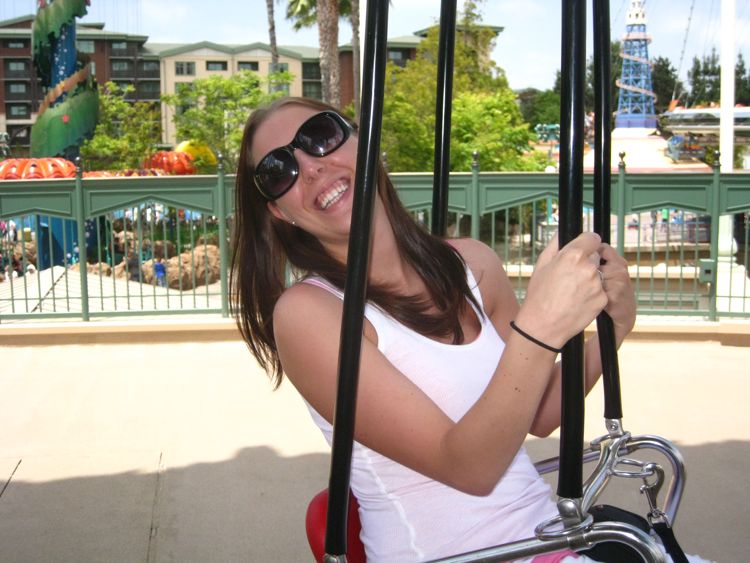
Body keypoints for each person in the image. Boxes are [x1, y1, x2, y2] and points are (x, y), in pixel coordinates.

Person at [230, 98, 706, 563]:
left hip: (547, 539)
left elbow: (538, 411)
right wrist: (540, 327)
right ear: (279, 212)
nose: (310, 167)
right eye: (278, 171)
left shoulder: (472, 263)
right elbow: (469, 467)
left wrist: (612, 327)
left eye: (320, 137)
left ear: (365, 143)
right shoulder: (309, 314)